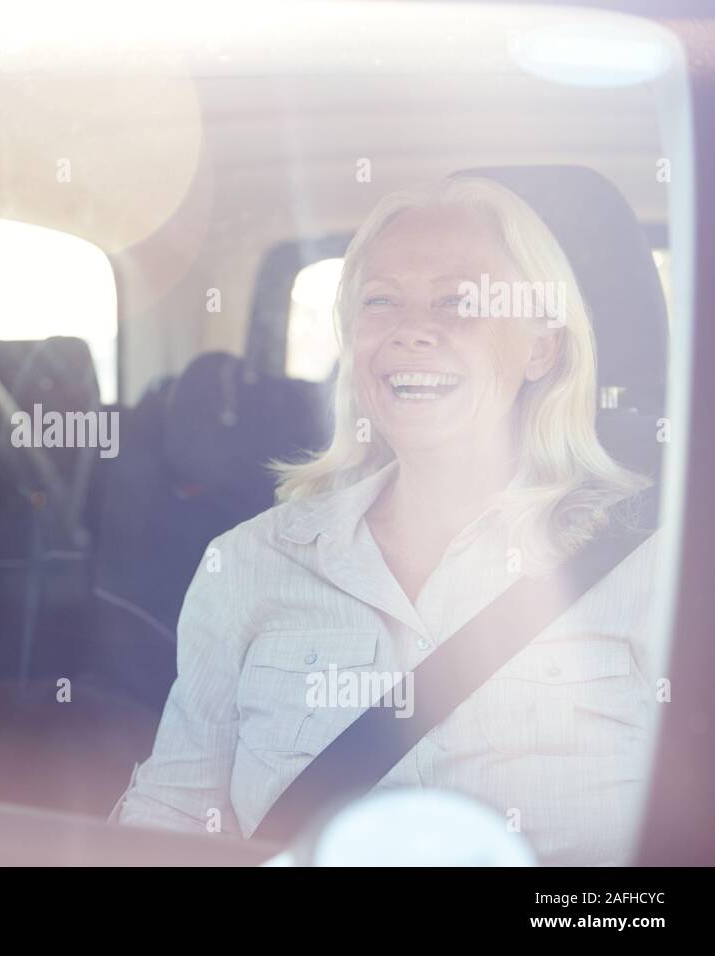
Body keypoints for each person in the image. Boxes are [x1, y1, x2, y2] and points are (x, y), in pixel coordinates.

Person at [112, 177, 661, 865]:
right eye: (380, 301)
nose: (411, 330)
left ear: (541, 348)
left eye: (460, 301)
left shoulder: (656, 565)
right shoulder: (249, 563)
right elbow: (171, 823)